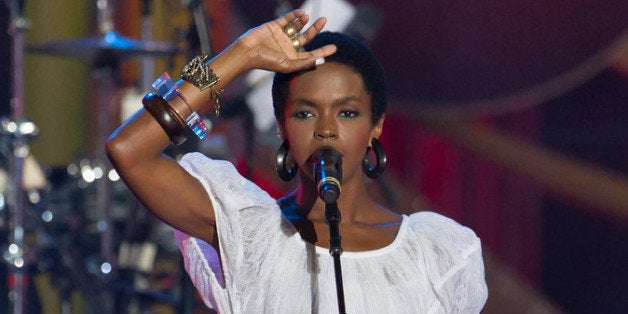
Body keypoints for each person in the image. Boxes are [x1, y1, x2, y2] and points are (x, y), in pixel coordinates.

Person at [106, 9, 488, 313]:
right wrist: (241, 55)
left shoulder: (436, 255)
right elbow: (129, 150)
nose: (326, 130)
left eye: (347, 113)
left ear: (377, 126)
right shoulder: (250, 235)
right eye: (305, 113)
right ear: (281, 126)